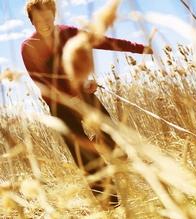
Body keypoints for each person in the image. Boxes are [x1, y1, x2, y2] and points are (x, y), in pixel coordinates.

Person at [21, 0, 152, 206]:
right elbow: (41, 81)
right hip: (59, 105)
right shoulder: (28, 46)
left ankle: (100, 143)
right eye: (38, 20)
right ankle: (111, 203)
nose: (44, 23)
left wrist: (141, 48)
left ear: (54, 15)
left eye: (47, 18)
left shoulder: (68, 32)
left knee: (112, 137)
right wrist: (77, 87)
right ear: (32, 22)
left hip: (85, 96)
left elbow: (102, 41)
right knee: (84, 154)